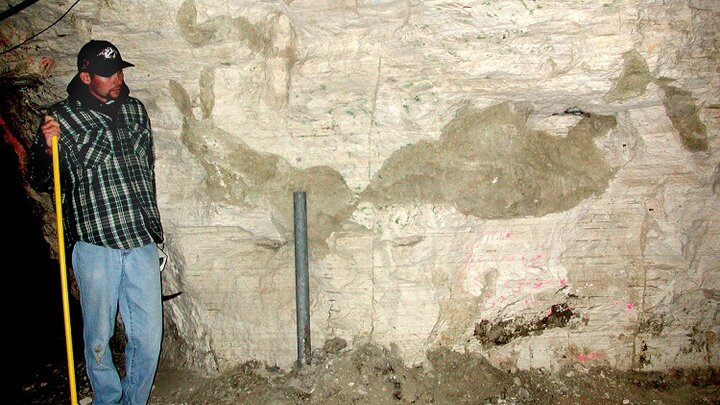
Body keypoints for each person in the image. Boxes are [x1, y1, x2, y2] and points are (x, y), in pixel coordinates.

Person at [26, 39, 164, 405]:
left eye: (118, 70)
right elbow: (42, 180)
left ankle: (133, 401)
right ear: (86, 76)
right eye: (106, 74)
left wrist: (154, 229)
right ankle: (107, 399)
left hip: (139, 240)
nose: (116, 78)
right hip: (96, 243)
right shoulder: (61, 117)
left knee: (149, 336)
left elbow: (145, 171)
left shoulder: (136, 111)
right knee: (99, 338)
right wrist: (44, 147)